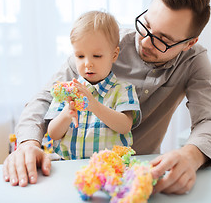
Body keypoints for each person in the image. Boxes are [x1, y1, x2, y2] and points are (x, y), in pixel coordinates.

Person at [3, 0, 211, 195]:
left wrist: (191, 155)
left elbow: (210, 121)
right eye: (146, 25)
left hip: (141, 172)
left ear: (189, 43)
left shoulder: (193, 61)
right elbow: (44, 98)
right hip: (77, 168)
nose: (146, 42)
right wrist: (28, 143)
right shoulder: (103, 44)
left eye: (162, 40)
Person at [46, 10, 141, 160]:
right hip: (69, 164)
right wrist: (66, 113)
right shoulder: (67, 91)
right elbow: (53, 133)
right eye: (80, 56)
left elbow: (125, 126)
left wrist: (94, 105)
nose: (88, 63)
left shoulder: (123, 89)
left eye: (96, 56)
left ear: (114, 55)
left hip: (109, 167)